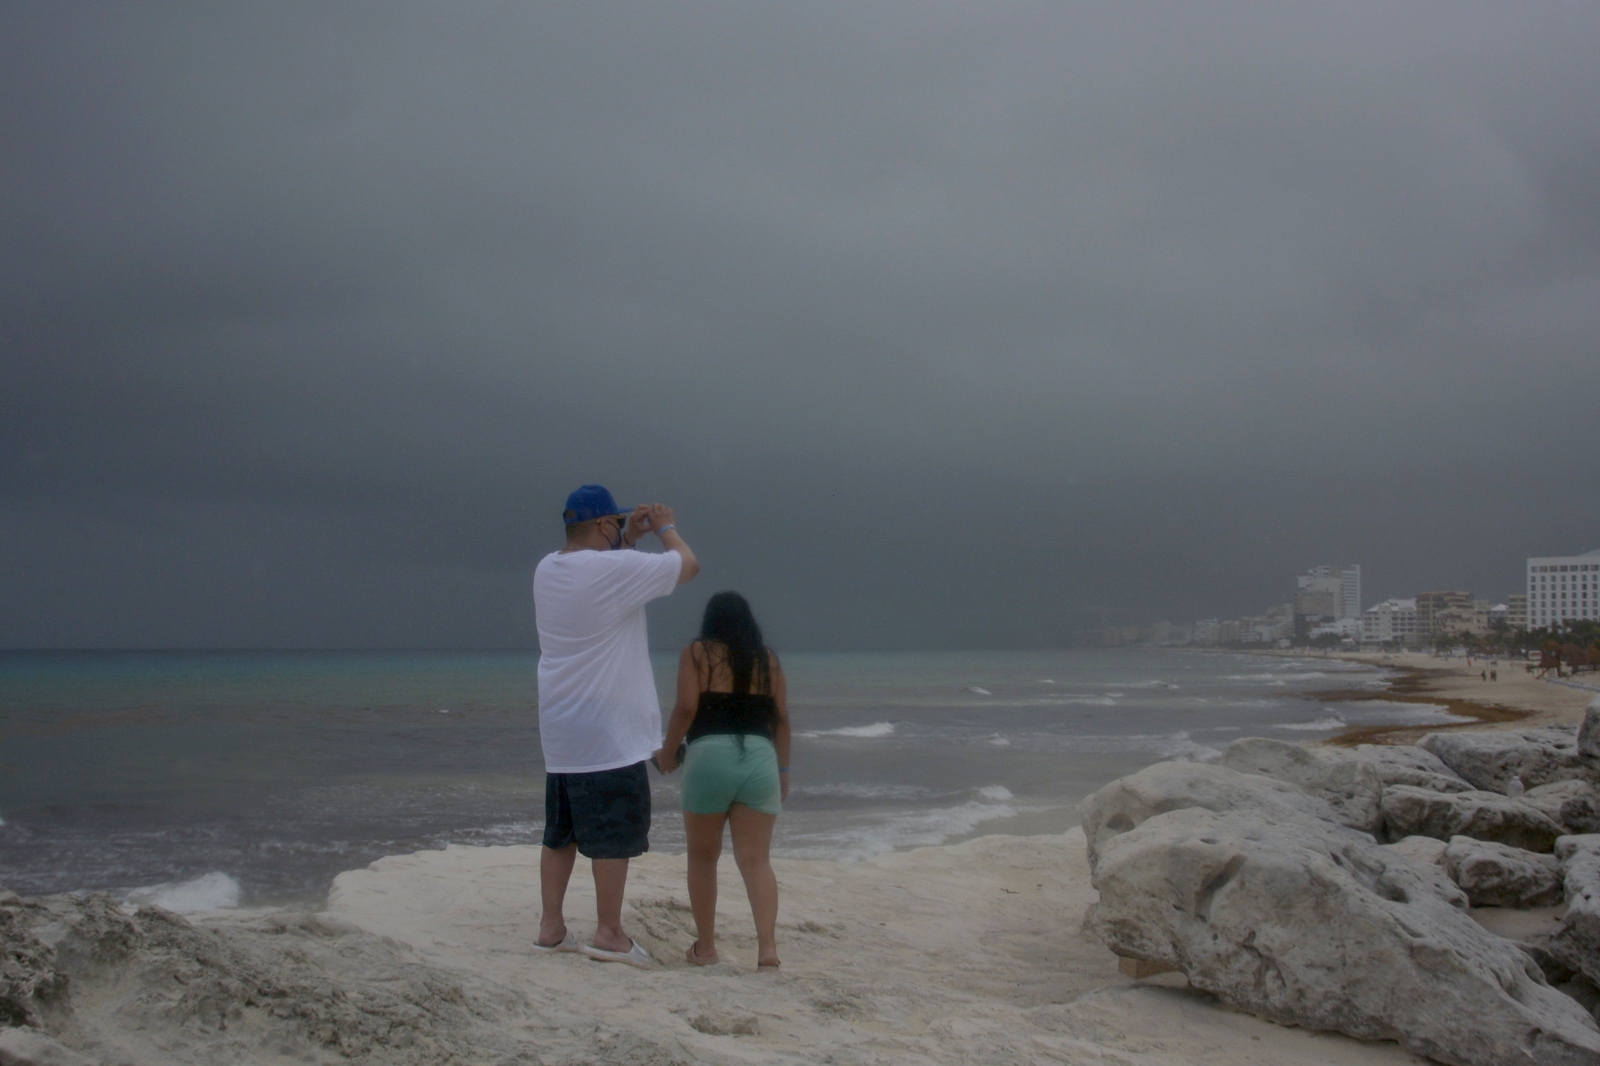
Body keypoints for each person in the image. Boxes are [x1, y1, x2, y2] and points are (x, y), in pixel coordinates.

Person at [532, 484, 699, 967]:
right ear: (605, 525)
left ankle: (551, 927)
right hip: (608, 731)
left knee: (560, 833)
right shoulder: (611, 570)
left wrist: (629, 540)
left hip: (562, 727)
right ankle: (609, 933)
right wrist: (665, 527)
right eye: (619, 525)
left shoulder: (547, 569)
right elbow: (688, 566)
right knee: (612, 833)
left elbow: (604, 576)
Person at [656, 592, 790, 971]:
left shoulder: (697, 653)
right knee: (756, 860)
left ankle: (707, 948)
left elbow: (685, 708)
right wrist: (784, 771)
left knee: (703, 857)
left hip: (709, 757)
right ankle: (767, 950)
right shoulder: (769, 661)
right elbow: (782, 721)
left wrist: (668, 753)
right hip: (760, 757)